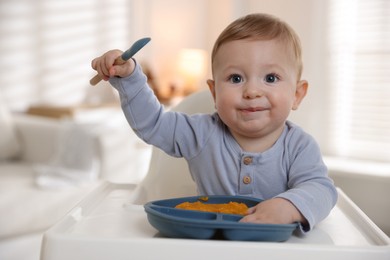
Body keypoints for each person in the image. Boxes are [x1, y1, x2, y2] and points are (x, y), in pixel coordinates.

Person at [91, 13, 338, 232]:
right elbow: (153, 124)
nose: (252, 90)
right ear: (214, 93)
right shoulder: (201, 133)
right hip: (209, 245)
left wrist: (289, 206)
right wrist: (130, 78)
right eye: (236, 77)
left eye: (271, 78)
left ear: (297, 94)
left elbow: (322, 190)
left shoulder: (299, 147)